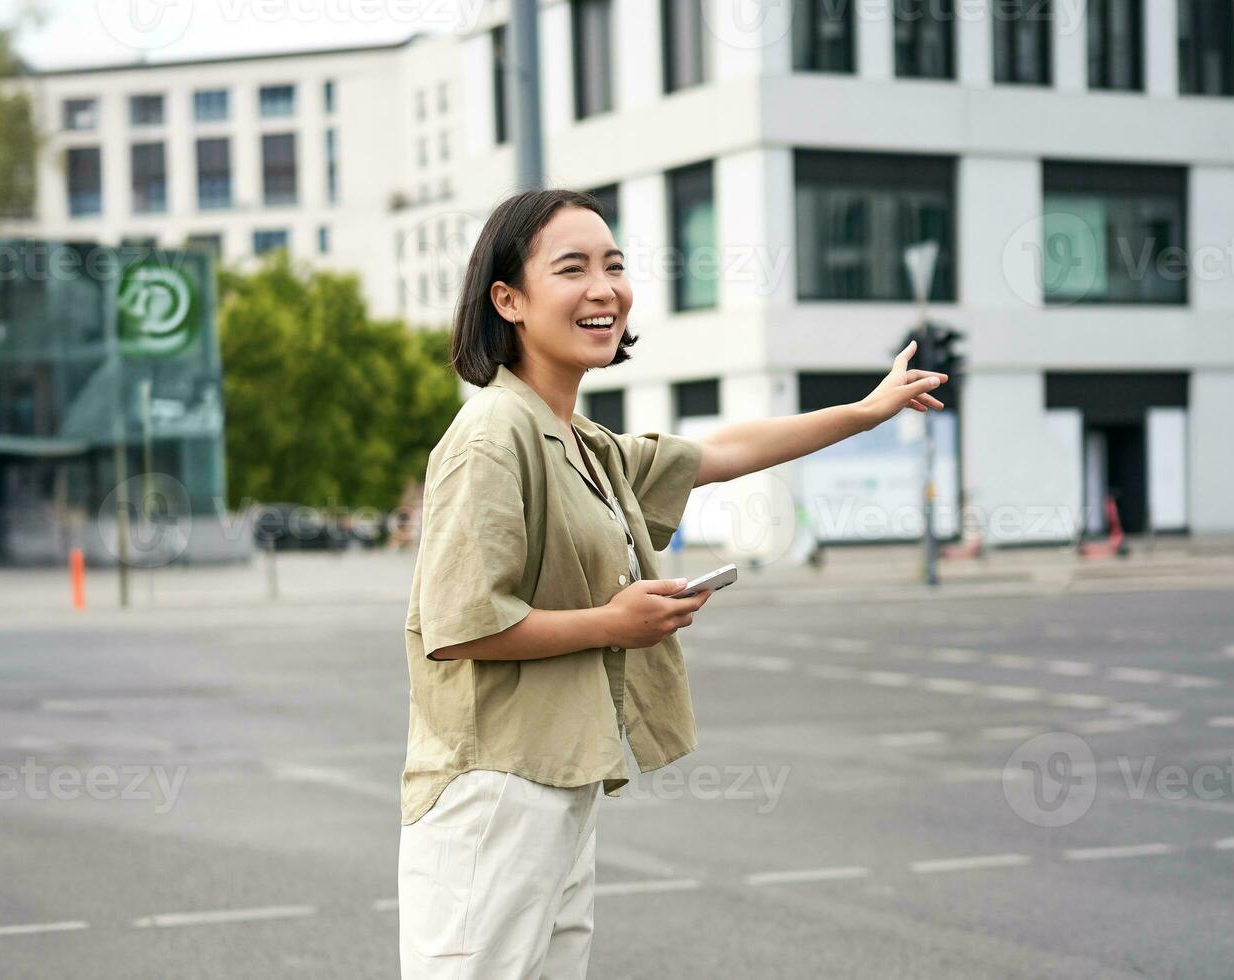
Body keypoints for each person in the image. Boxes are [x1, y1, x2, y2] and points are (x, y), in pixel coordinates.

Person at [398, 188, 947, 979]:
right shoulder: (492, 434)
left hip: (559, 778)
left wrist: (864, 412)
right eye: (573, 268)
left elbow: (720, 454)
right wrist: (612, 623)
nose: (604, 289)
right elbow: (461, 626)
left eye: (614, 266)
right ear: (508, 299)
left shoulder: (582, 441)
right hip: (494, 790)